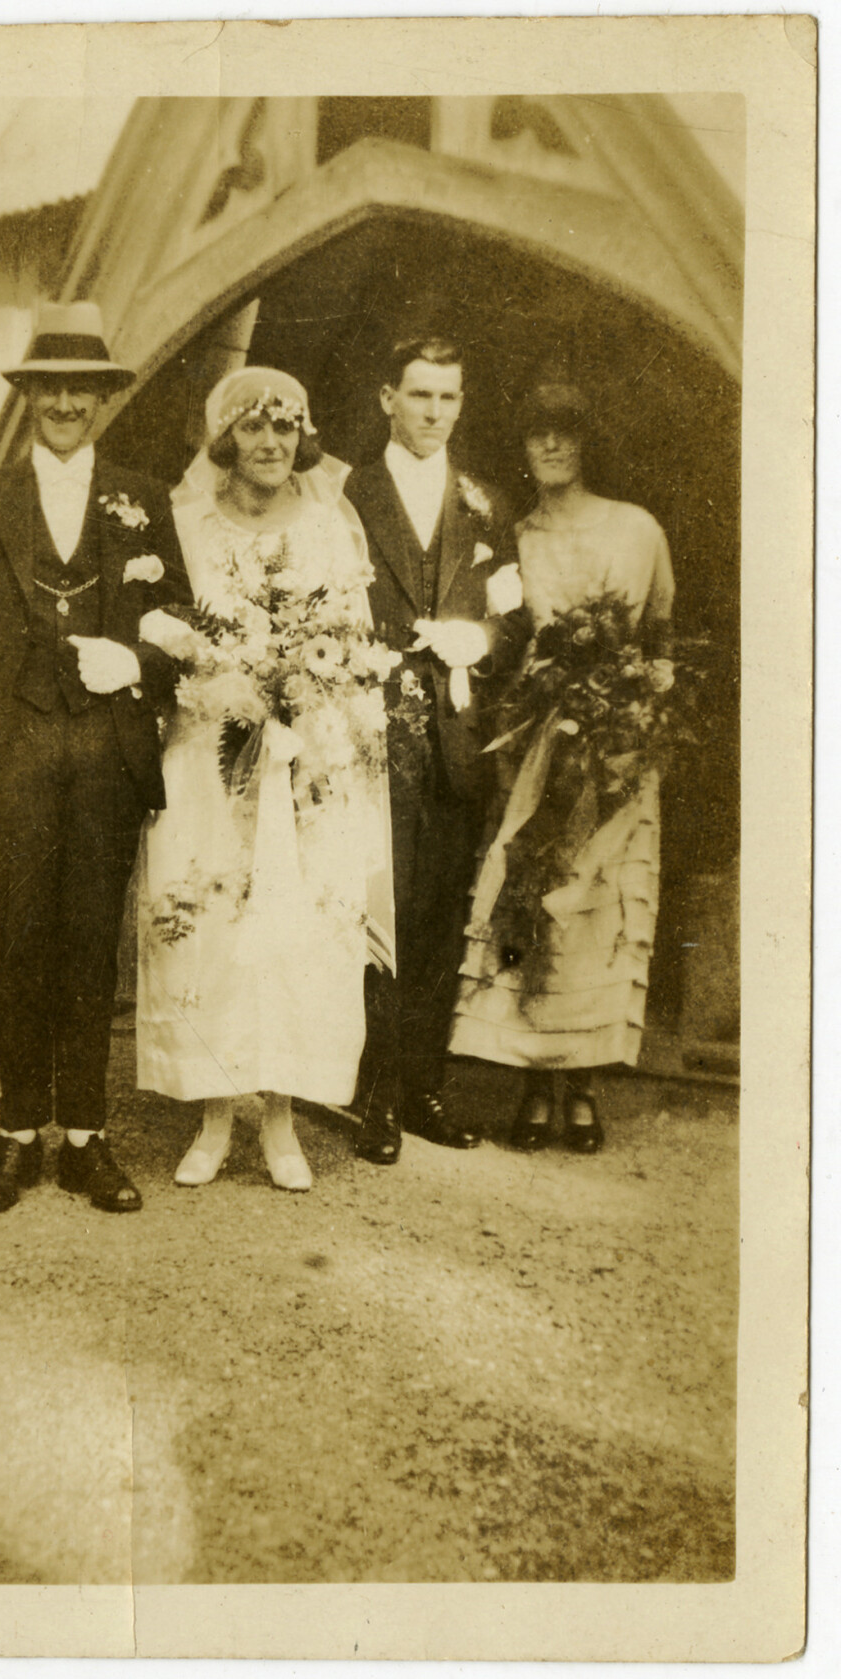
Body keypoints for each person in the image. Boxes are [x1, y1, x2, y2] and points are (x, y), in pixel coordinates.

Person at [0, 303, 189, 1216]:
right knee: (22, 941)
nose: (67, 403)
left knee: (89, 944)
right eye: (51, 388)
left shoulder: (142, 496)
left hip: (108, 748)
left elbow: (181, 617)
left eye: (83, 389)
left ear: (104, 398)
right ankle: (16, 1134)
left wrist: (139, 659)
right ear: (30, 397)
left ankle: (84, 1137)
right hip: (15, 748)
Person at [135, 367, 395, 1193]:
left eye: (286, 427)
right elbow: (167, 636)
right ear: (226, 438)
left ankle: (280, 1116)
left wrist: (306, 700)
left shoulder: (327, 527)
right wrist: (224, 680)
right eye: (253, 426)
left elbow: (353, 649)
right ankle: (214, 1114)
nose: (272, 442)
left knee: (296, 931)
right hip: (209, 754)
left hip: (303, 758)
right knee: (208, 922)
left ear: (304, 436)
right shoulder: (186, 526)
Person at [447, 380, 675, 1152]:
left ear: (587, 441)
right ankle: (533, 1083)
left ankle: (581, 1086)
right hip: (537, 744)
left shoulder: (636, 528)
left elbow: (658, 632)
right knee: (532, 894)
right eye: (535, 433)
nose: (549, 445)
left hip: (614, 743)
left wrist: (631, 717)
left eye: (564, 432)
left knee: (597, 906)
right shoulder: (516, 536)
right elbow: (506, 635)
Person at [345, 336, 526, 1164]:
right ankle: (372, 1091)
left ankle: (422, 1087)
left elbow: (516, 618)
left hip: (454, 743)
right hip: (367, 734)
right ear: (388, 398)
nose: (434, 412)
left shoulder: (485, 502)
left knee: (437, 917)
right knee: (377, 913)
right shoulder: (347, 493)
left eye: (448, 397)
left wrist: (478, 639)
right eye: (420, 394)